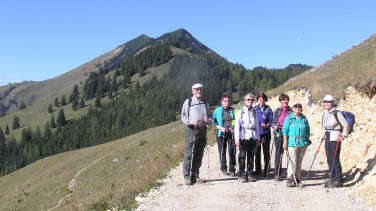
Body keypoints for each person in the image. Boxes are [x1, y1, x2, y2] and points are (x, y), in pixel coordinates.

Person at [181, 83, 213, 185]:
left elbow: (210, 116)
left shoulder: (205, 102)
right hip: (191, 130)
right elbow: (183, 117)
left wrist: (208, 120)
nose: (199, 91)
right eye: (196, 89)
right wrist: (191, 121)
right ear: (193, 91)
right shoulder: (188, 102)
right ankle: (187, 177)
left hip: (203, 130)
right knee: (189, 152)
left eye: (200, 89)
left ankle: (195, 176)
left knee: (199, 153)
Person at [321, 94, 349, 188]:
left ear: (333, 103)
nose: (326, 103)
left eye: (329, 102)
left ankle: (339, 179)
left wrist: (343, 136)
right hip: (328, 136)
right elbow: (325, 126)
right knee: (329, 158)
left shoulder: (337, 113)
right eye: (325, 102)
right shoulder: (325, 113)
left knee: (335, 158)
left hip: (335, 136)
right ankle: (332, 178)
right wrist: (324, 134)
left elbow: (346, 126)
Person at [282, 102, 310, 187]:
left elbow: (308, 129)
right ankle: (290, 179)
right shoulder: (289, 118)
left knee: (299, 161)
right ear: (292, 108)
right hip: (292, 143)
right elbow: (285, 131)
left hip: (302, 143)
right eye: (295, 107)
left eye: (299, 106)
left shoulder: (304, 118)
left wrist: (307, 139)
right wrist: (285, 142)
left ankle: (297, 178)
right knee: (292, 160)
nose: (298, 108)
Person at [234, 93, 260, 182]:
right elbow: (237, 125)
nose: (250, 101)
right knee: (242, 156)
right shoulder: (240, 111)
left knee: (251, 155)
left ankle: (249, 173)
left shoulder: (254, 111)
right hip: (243, 136)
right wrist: (237, 138)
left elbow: (257, 125)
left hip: (252, 135)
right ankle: (241, 174)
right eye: (248, 100)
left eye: (252, 100)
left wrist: (258, 138)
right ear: (245, 100)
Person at [212, 94, 236, 177]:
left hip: (231, 133)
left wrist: (233, 127)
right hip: (221, 133)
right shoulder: (218, 110)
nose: (227, 102)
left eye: (228, 101)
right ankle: (223, 168)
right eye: (225, 101)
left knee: (232, 151)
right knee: (222, 151)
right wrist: (220, 128)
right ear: (222, 102)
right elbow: (214, 121)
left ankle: (232, 169)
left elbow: (236, 120)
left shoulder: (233, 110)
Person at [271, 93, 291, 181]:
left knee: (290, 153)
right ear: (280, 101)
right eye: (283, 100)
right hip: (279, 133)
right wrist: (274, 126)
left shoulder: (291, 111)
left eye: (286, 100)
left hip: (289, 134)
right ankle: (277, 173)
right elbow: (272, 122)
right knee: (279, 153)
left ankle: (290, 173)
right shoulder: (276, 111)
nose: (284, 101)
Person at [254, 92, 273, 177]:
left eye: (263, 100)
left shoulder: (268, 109)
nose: (261, 101)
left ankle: (267, 169)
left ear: (265, 100)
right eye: (260, 100)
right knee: (257, 151)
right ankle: (258, 169)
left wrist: (267, 125)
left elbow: (271, 120)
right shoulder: (255, 109)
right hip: (257, 133)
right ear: (257, 100)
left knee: (266, 151)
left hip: (266, 133)